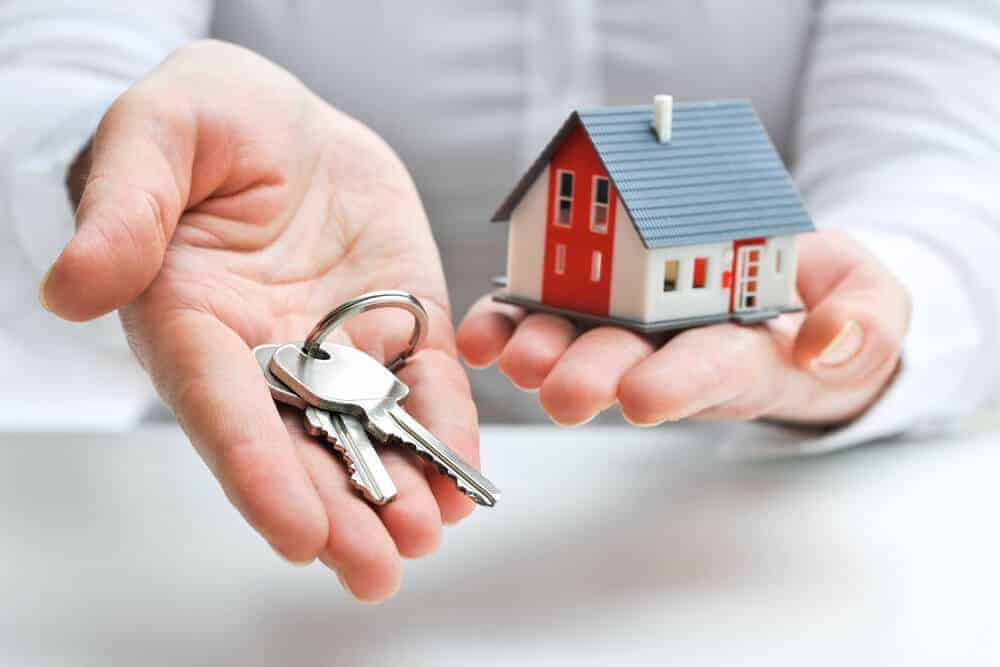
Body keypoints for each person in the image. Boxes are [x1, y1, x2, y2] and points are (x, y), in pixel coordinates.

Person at [1, 2, 997, 603]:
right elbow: (47, 71)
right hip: (194, 527)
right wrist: (112, 161)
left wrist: (867, 309)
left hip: (763, 531)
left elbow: (947, 161)